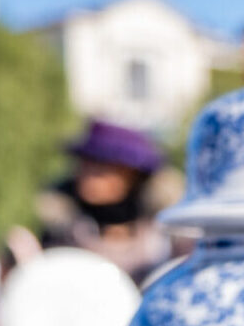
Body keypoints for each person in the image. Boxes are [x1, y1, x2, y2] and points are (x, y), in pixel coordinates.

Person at [34, 119, 173, 283]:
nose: (87, 176)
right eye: (85, 164)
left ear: (132, 175)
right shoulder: (60, 230)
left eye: (101, 168)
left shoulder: (161, 234)